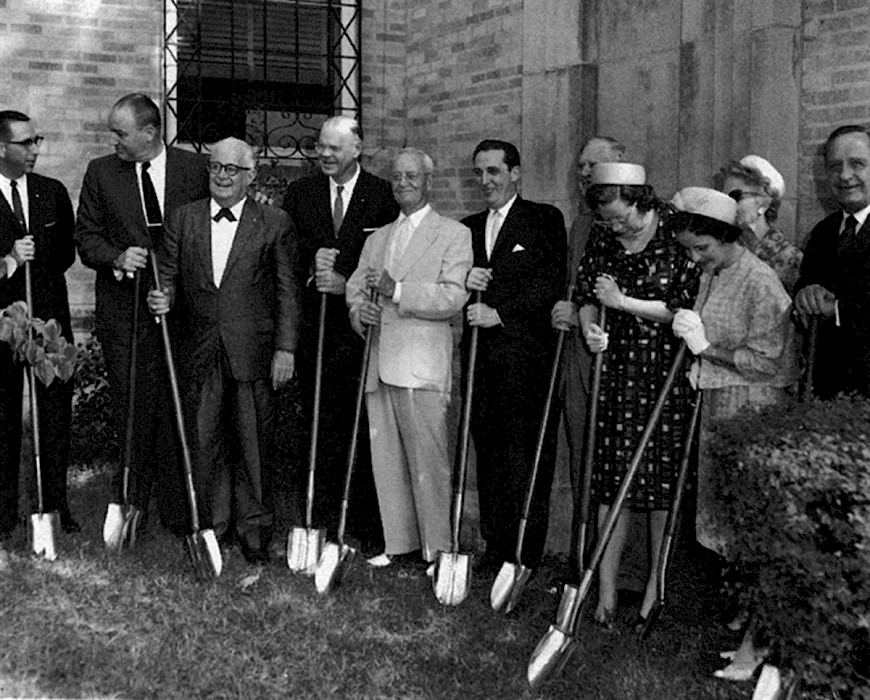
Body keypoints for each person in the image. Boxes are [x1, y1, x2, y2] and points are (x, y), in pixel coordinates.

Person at [147, 137, 298, 565]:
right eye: (216, 168)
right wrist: (163, 297)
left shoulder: (274, 222)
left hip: (254, 350)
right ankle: (211, 528)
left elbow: (288, 292)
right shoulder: (185, 219)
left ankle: (254, 533)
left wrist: (286, 348)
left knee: (253, 443)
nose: (223, 176)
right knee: (204, 438)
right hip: (201, 348)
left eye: (232, 169)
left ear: (249, 176)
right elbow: (170, 275)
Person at [670, 186, 797, 681]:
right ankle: (748, 625)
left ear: (729, 236)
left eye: (703, 247)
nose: (695, 258)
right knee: (726, 523)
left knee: (751, 526)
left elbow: (769, 361)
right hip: (720, 405)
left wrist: (706, 348)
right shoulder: (716, 271)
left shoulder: (760, 281)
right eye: (688, 249)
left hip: (753, 410)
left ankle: (758, 647)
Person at [75, 93, 209, 539]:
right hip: (124, 314)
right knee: (133, 407)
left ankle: (178, 510)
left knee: (177, 407)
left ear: (150, 132)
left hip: (181, 312)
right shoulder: (101, 172)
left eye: (120, 132)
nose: (112, 140)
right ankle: (131, 501)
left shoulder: (195, 170)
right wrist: (117, 257)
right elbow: (86, 237)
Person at [575, 163, 699, 627]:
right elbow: (589, 292)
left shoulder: (674, 229)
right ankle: (605, 594)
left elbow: (685, 308)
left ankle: (653, 593)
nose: (616, 227)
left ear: (641, 200)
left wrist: (623, 303)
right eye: (608, 220)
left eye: (622, 217)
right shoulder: (604, 235)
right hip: (618, 370)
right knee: (613, 482)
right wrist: (591, 329)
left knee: (662, 485)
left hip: (665, 372)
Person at [347, 148, 471, 571]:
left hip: (421, 364)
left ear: (428, 181)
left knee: (429, 462)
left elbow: (453, 296)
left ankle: (438, 550)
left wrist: (397, 290)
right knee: (387, 458)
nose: (403, 183)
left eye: (412, 176)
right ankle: (398, 542)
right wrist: (357, 312)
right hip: (378, 359)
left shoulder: (453, 234)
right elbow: (355, 288)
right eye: (397, 177)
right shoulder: (377, 238)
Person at [281, 116, 398, 554]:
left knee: (365, 427)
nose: (325, 155)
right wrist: (316, 277)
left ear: (357, 148)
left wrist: (345, 278)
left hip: (361, 333)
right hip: (315, 332)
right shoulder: (300, 195)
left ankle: (366, 522)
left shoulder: (383, 196)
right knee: (318, 424)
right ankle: (319, 516)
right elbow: (288, 259)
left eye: (334, 148)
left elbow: (390, 260)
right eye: (320, 147)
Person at [462, 138, 566, 574]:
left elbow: (549, 282)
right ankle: (494, 544)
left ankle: (524, 552)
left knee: (525, 457)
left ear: (515, 173)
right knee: (488, 456)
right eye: (480, 172)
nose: (486, 181)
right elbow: (451, 282)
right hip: (480, 366)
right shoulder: (466, 227)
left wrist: (500, 314)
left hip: (527, 365)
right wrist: (463, 277)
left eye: (494, 172)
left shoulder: (543, 219)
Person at [0, 110, 79, 541]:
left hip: (49, 321)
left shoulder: (52, 192)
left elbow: (65, 253)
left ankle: (54, 505)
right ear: (1, 148)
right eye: (26, 142)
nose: (35, 150)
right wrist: (11, 259)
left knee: (52, 416)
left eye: (37, 141)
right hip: (2, 325)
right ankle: (5, 512)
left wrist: (39, 267)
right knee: (4, 416)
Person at [552, 136, 628, 572]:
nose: (584, 172)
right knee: (584, 450)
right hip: (581, 351)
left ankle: (623, 566)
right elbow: (576, 284)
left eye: (593, 164)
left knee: (620, 456)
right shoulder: (581, 225)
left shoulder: (638, 219)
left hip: (623, 354)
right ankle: (585, 555)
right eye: (581, 165)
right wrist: (566, 306)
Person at [794, 124, 870, 398]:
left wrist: (836, 309)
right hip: (827, 387)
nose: (845, 176)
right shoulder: (823, 231)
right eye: (835, 166)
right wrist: (805, 294)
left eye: (857, 164)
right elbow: (806, 282)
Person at [717, 155, 802, 293]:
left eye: (736, 197)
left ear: (764, 202)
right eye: (725, 199)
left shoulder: (791, 259)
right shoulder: (724, 250)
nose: (728, 205)